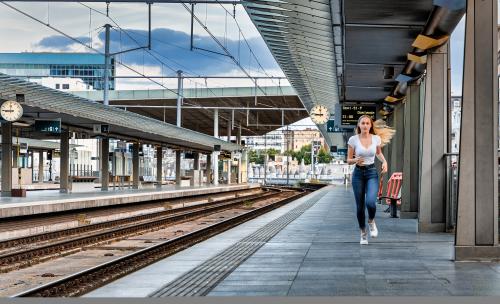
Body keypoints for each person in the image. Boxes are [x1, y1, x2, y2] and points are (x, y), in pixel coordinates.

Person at [346, 115, 393, 245]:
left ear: (371, 125)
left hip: (372, 172)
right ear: (359, 125)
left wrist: (384, 162)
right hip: (358, 174)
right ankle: (363, 233)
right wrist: (355, 160)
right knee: (360, 207)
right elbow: (348, 160)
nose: (365, 125)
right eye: (363, 123)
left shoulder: (376, 139)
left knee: (371, 202)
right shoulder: (353, 140)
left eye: (367, 123)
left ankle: (371, 221)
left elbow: (378, 153)